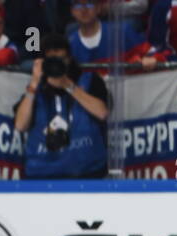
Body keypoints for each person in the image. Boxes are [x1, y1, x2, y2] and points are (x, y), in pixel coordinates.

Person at [12, 32, 109, 179]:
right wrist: (33, 83)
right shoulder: (35, 90)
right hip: (41, 174)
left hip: (88, 173)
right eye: (51, 60)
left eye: (61, 59)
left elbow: (102, 112)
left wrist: (68, 85)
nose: (56, 64)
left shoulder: (89, 81)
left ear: (69, 59)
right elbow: (20, 125)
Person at [65, 0, 162, 71]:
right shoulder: (70, 45)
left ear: (98, 8)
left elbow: (155, 54)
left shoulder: (123, 31)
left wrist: (152, 58)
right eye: (78, 5)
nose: (83, 10)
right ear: (71, 11)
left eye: (89, 3)